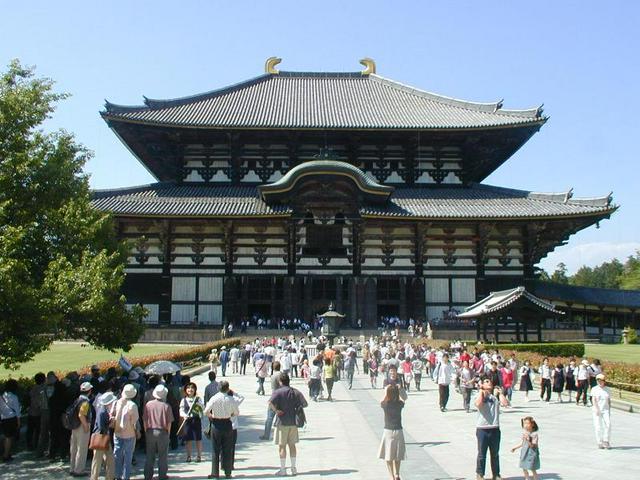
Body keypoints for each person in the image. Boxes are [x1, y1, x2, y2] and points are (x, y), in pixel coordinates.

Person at [269, 373, 308, 477]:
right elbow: (305, 404)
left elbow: (270, 403)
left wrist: (276, 410)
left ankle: (283, 469)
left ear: (280, 381)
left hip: (282, 422)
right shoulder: (295, 391)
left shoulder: (278, 392)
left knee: (282, 446)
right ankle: (293, 468)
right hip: (293, 422)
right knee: (292, 445)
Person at [474, 375, 509, 480]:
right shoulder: (479, 395)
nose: (489, 383)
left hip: (494, 428)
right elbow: (478, 404)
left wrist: (500, 393)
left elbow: (505, 404)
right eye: (486, 381)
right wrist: (481, 392)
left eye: (490, 381)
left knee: (495, 454)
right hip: (482, 429)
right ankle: (480, 474)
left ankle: (496, 474)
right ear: (482, 384)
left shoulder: (495, 397)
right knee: (482, 454)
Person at [204, 380, 239, 479]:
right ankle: (228, 472)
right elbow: (236, 412)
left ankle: (215, 473)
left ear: (218, 388)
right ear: (228, 388)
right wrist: (230, 414)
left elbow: (206, 411)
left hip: (216, 424)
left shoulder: (214, 398)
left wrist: (211, 416)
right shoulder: (231, 399)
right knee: (227, 448)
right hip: (227, 424)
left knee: (215, 449)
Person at [143, 385, 174, 480]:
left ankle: (148, 475)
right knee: (163, 455)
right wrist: (168, 433)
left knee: (150, 454)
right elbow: (169, 422)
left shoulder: (148, 404)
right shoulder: (166, 406)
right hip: (162, 432)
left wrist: (146, 430)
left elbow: (144, 419)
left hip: (150, 431)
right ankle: (162, 475)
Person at [111, 383, 140, 480]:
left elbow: (111, 414)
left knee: (117, 455)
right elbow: (134, 422)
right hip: (129, 433)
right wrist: (137, 431)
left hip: (117, 432)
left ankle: (117, 475)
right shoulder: (133, 405)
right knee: (128, 457)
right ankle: (126, 476)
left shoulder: (117, 402)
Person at [378, 384, 406, 480]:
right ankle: (397, 473)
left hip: (388, 431)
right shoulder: (399, 404)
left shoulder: (386, 405)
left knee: (388, 455)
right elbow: (403, 400)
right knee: (397, 455)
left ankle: (391, 476)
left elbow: (381, 401)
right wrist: (399, 390)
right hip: (398, 430)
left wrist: (386, 391)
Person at [91, 391, 116, 480]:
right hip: (100, 437)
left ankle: (110, 477)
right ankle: (94, 478)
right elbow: (102, 427)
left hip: (104, 437)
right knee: (97, 461)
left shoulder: (104, 410)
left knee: (109, 459)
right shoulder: (102, 412)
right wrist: (111, 421)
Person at [70, 381, 93, 476]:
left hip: (74, 426)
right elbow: (81, 415)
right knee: (82, 449)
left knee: (74, 448)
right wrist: (86, 426)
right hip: (82, 426)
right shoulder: (85, 402)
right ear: (90, 391)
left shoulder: (77, 399)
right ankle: (79, 470)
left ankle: (73, 468)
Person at [180, 382, 205, 462]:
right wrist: (184, 415)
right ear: (185, 390)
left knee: (198, 439)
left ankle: (199, 456)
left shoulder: (198, 399)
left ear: (195, 390)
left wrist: (199, 410)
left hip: (196, 420)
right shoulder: (183, 400)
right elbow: (181, 410)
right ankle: (189, 456)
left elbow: (202, 408)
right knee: (188, 439)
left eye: (192, 388)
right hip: (187, 421)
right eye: (188, 388)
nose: (190, 390)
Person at [259, 362, 282, 440]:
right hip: (283, 397)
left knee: (269, 418)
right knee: (281, 418)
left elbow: (273, 389)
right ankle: (281, 435)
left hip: (275, 398)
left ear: (273, 367)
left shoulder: (273, 376)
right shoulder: (283, 375)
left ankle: (266, 435)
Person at [0, 379, 21, 462]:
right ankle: (6, 455)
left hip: (3, 418)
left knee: (6, 436)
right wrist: (18, 421)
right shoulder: (14, 397)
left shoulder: (1, 396)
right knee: (9, 437)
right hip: (12, 418)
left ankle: (6, 453)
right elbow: (17, 410)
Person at [591, 373, 612, 449]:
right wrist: (596, 409)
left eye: (601, 380)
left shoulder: (608, 390)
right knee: (598, 426)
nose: (599, 382)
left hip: (605, 410)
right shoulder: (594, 389)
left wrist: (609, 410)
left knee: (608, 424)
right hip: (597, 410)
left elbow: (609, 400)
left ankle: (606, 440)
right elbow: (593, 400)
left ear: (604, 381)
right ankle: (599, 442)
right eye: (598, 380)